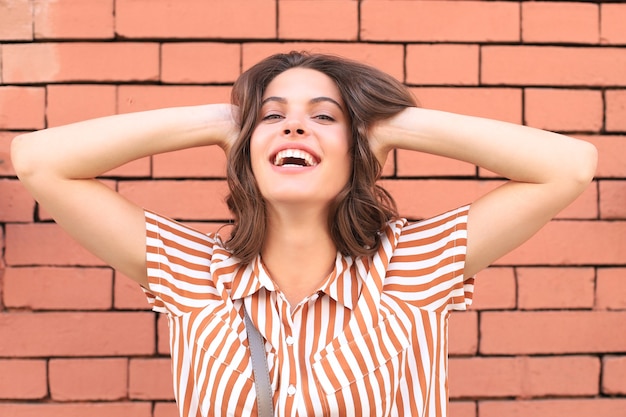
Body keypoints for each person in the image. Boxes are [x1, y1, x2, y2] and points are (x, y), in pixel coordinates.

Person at [11, 51, 597, 417]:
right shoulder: (192, 273)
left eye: (324, 116)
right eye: (274, 115)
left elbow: (566, 166)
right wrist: (228, 121)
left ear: (359, 151)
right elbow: (38, 160)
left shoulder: (416, 266)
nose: (294, 123)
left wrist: (385, 125)